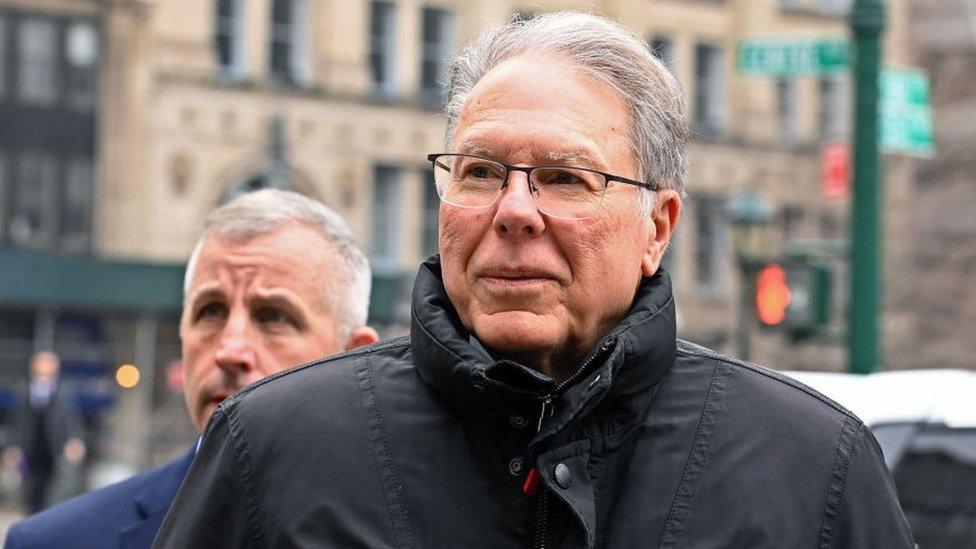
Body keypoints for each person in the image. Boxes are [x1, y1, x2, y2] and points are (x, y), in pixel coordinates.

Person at [155, 13, 915, 548]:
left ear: (659, 226)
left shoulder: (813, 466)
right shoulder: (270, 447)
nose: (516, 210)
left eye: (564, 177)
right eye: (482, 171)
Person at [5, 189, 378, 549]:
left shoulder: (417, 533)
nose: (229, 351)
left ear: (355, 357)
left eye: (273, 316)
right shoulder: (56, 542)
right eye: (210, 311)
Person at [7, 351, 86, 513]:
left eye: (49, 374)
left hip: (55, 453)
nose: (44, 379)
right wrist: (13, 447)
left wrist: (74, 440)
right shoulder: (23, 393)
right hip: (30, 454)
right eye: (40, 373)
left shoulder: (64, 394)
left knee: (55, 496)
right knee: (31, 495)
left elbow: (73, 421)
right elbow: (16, 423)